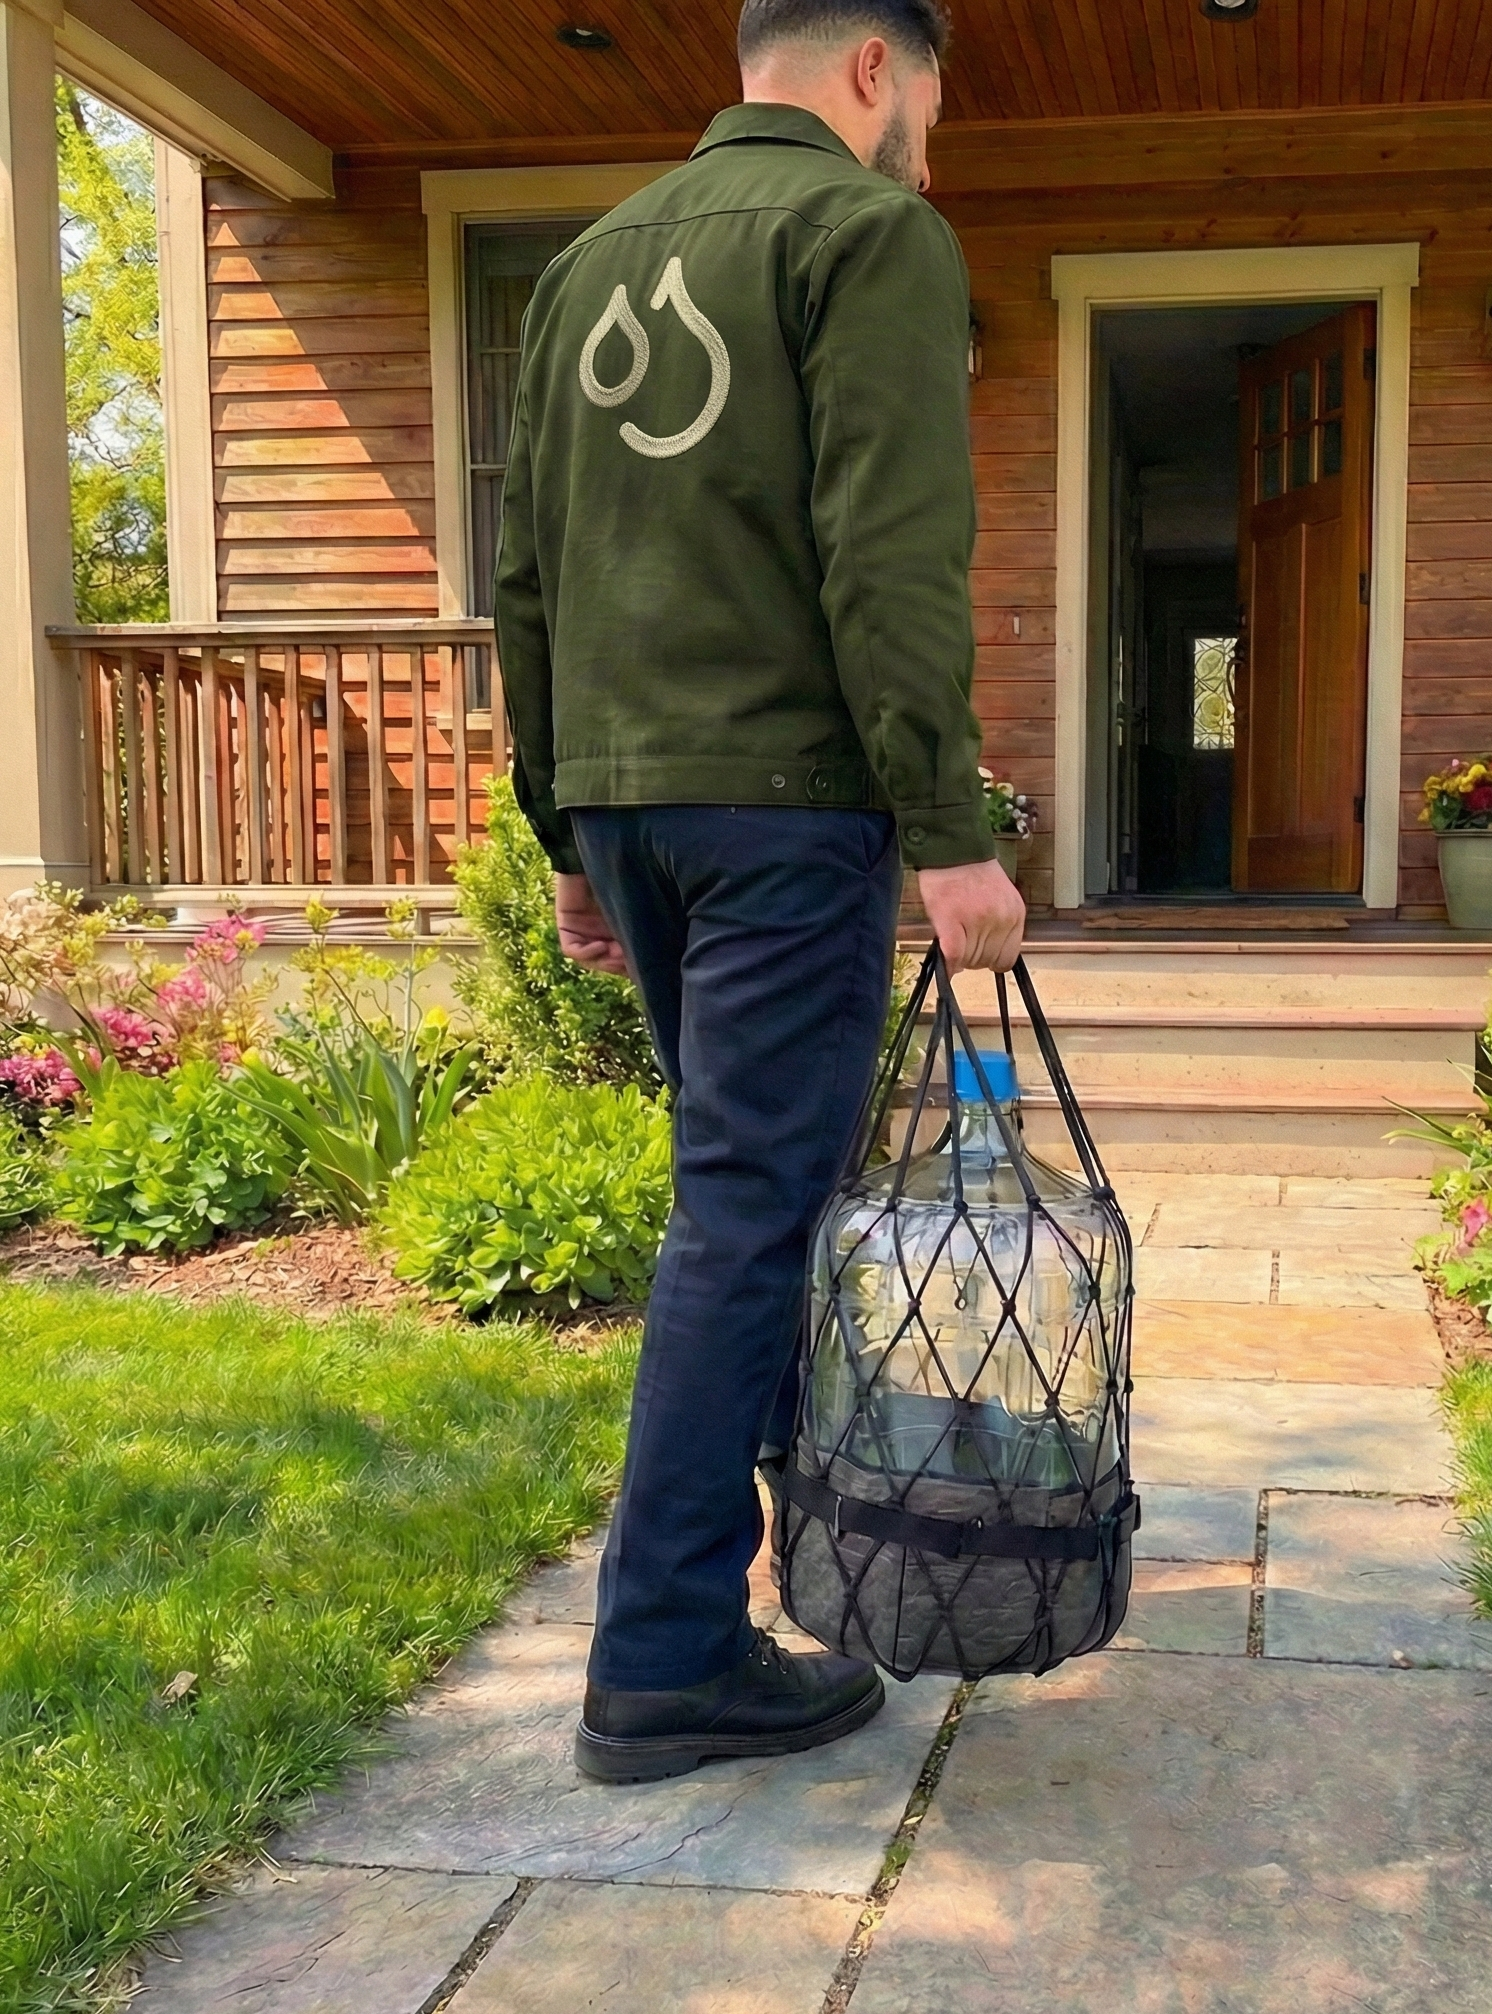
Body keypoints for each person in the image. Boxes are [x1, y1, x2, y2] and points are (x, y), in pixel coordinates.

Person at [495, 0, 1025, 1785]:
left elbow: (529, 577)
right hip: (788, 806)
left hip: (638, 799)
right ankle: (663, 1660)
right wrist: (946, 828)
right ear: (875, 66)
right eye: (934, 104)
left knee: (756, 1202)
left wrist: (568, 834)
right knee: (749, 1215)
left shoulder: (582, 270)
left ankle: (838, 1553)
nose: (930, 146)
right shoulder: (868, 234)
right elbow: (891, 552)